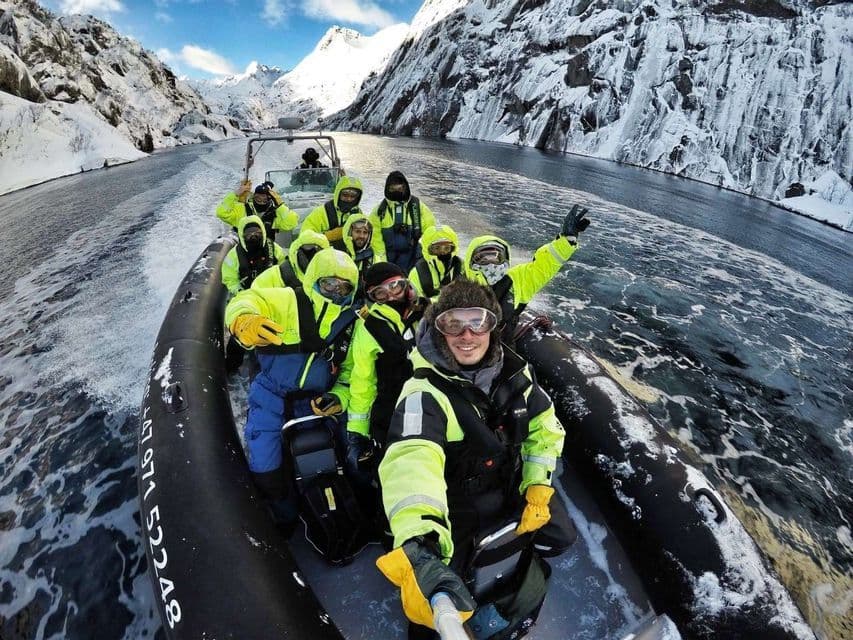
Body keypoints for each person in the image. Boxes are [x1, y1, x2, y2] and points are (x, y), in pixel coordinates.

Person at [375, 279, 576, 636]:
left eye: (477, 321)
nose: (466, 335)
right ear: (440, 330)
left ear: (492, 325)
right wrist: (420, 539)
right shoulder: (423, 392)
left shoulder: (518, 374)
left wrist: (537, 484)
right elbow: (411, 460)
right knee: (440, 583)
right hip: (455, 501)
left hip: (509, 482)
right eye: (453, 323)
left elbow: (545, 429)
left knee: (559, 536)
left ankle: (508, 587)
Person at [224, 248, 360, 519]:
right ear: (314, 279)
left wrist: (339, 397)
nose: (336, 291)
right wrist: (244, 319)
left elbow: (349, 372)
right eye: (329, 283)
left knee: (351, 457)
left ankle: (344, 512)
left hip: (318, 402)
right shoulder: (285, 300)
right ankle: (284, 520)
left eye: (344, 287)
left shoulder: (351, 323)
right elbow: (249, 298)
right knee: (266, 470)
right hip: (272, 396)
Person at [346, 263, 428, 477]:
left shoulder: (428, 314)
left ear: (406, 285)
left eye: (395, 287)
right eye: (380, 293)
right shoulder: (370, 329)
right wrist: (358, 430)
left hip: (433, 405)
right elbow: (363, 381)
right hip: (392, 412)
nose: (391, 297)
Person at [464, 204, 590, 342]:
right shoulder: (456, 288)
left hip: (502, 347)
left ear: (505, 260)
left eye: (497, 258)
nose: (491, 264)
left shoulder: (516, 281)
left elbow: (544, 266)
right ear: (470, 262)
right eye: (482, 259)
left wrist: (567, 239)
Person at [369, 171, 437, 272]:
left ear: (405, 188)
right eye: (393, 189)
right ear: (387, 189)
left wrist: (421, 256)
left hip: (414, 258)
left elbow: (431, 232)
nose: (397, 191)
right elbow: (376, 241)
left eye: (400, 189)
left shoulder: (418, 207)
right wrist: (383, 265)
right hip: (388, 258)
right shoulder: (379, 211)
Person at [302, 176, 383, 255]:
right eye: (345, 195)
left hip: (350, 257)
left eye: (353, 196)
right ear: (338, 194)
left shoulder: (358, 213)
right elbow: (305, 238)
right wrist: (329, 236)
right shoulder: (321, 212)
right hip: (326, 256)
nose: (349, 199)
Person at [221, 215, 286, 295]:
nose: (253, 237)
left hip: (273, 292)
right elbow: (230, 279)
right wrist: (240, 292)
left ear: (262, 232)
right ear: (242, 236)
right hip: (249, 294)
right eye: (249, 234)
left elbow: (284, 267)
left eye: (257, 233)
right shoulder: (234, 255)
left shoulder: (274, 249)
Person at [216, 181, 299, 243]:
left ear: (270, 199)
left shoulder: (274, 213)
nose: (261, 201)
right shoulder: (242, 209)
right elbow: (221, 213)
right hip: (244, 249)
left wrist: (280, 205)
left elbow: (291, 223)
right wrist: (235, 194)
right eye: (258, 198)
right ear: (253, 197)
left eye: (264, 198)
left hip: (266, 251)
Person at [251, 230, 329, 290]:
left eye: (319, 250)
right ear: (297, 250)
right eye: (308, 247)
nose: (313, 254)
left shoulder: (334, 279)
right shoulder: (276, 276)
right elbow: (253, 298)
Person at [408, 224, 463, 300]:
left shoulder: (463, 268)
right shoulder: (416, 274)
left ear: (453, 248)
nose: (442, 252)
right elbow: (415, 302)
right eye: (437, 248)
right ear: (427, 249)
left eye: (447, 248)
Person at [341, 214, 383, 283]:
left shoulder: (374, 257)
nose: (361, 236)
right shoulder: (336, 252)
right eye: (357, 231)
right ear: (349, 232)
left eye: (365, 232)